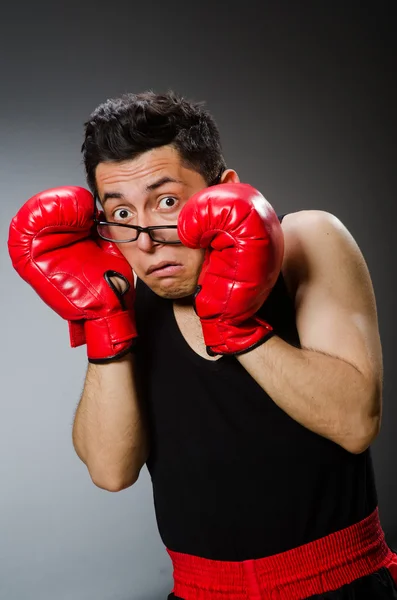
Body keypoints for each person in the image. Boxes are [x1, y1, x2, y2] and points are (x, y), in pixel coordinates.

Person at [8, 91, 397, 599]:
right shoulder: (125, 300)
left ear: (225, 191)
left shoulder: (307, 242)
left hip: (342, 584)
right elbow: (110, 470)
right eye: (121, 213)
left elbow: (355, 423)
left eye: (166, 202)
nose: (146, 239)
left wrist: (234, 324)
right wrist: (106, 325)